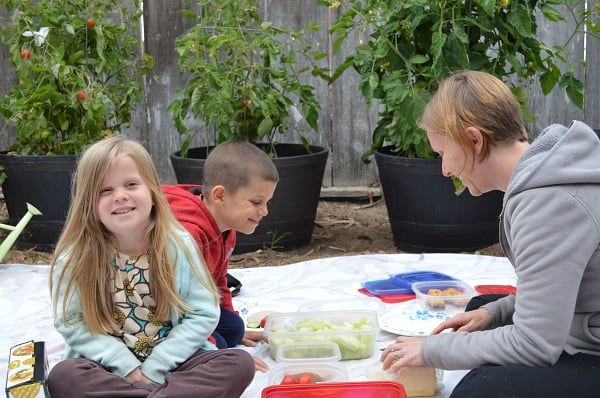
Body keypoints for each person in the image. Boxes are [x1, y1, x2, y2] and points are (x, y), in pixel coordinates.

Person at [380, 70, 600, 397]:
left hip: (589, 351)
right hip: (577, 323)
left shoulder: (549, 203)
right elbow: (563, 284)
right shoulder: (547, 176)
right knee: (482, 307)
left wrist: (429, 350)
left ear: (475, 139)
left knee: (480, 390)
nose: (445, 170)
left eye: (443, 154)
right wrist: (493, 313)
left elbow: (534, 344)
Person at [47, 136, 255, 397]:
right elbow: (71, 323)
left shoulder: (179, 245)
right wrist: (126, 367)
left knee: (238, 363)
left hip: (175, 363)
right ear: (88, 203)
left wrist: (154, 369)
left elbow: (203, 314)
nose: (120, 196)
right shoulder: (75, 256)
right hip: (109, 368)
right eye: (105, 190)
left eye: (131, 184)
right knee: (64, 376)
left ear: (153, 192)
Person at [162, 140, 279, 372]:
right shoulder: (188, 236)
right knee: (223, 345)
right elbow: (174, 305)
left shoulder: (227, 229)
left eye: (267, 202)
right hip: (163, 316)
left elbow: (218, 281)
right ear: (219, 195)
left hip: (193, 307)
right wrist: (215, 349)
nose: (264, 211)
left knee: (234, 328)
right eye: (256, 202)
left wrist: (229, 321)